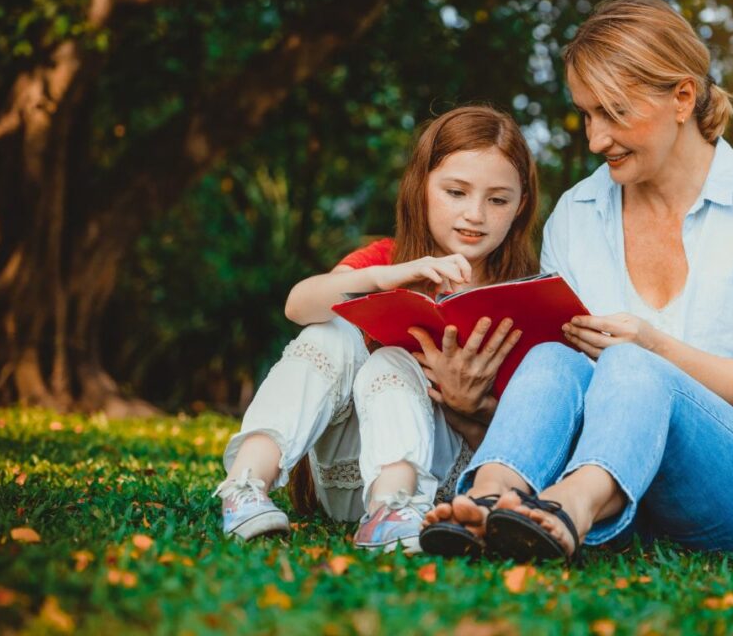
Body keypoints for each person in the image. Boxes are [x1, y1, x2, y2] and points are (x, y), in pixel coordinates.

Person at [421, 0, 733, 561]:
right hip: (630, 477)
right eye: (587, 114)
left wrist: (656, 346)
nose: (595, 138)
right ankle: (492, 494)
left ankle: (572, 507)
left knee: (637, 361)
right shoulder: (578, 213)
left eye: (613, 111)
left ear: (683, 97)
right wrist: (472, 406)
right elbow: (565, 388)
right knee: (552, 356)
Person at [212, 105, 539, 553]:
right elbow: (297, 306)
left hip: (438, 487)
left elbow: (529, 439)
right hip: (346, 474)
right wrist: (386, 276)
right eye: (456, 192)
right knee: (331, 330)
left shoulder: (526, 293)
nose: (475, 214)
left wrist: (471, 407)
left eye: (497, 199)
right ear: (420, 188)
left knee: (392, 358)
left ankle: (392, 507)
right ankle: (245, 485)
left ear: (521, 206)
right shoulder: (386, 258)